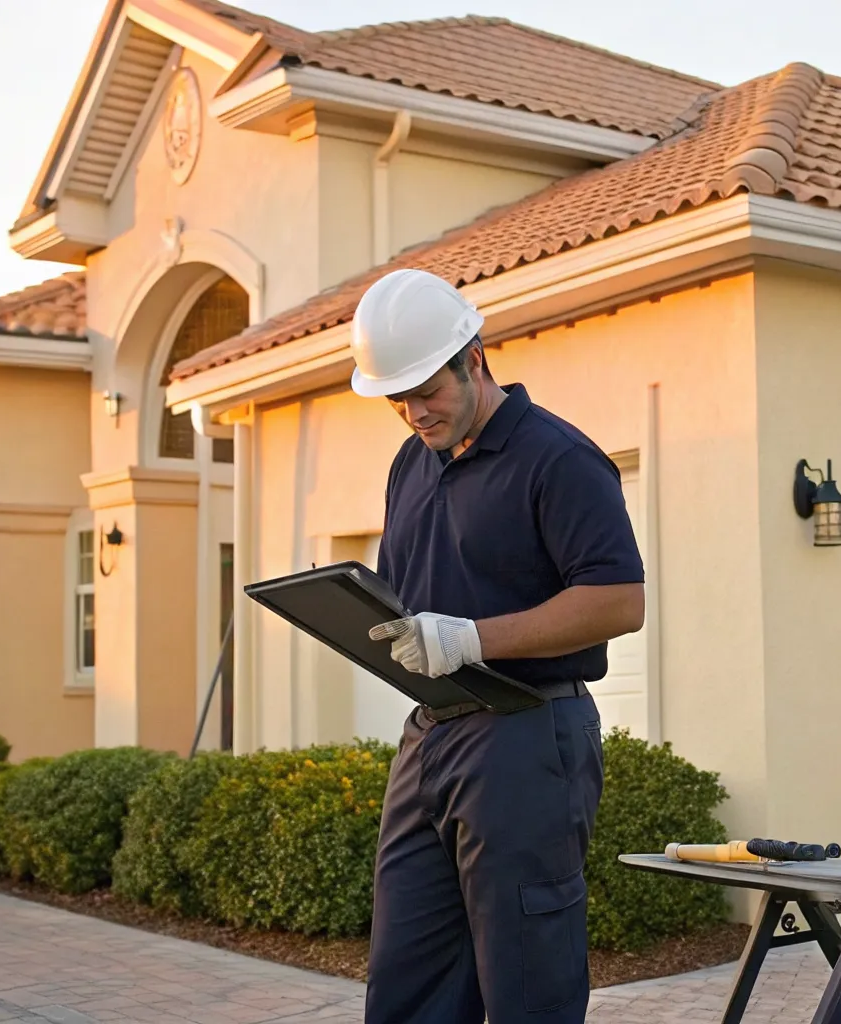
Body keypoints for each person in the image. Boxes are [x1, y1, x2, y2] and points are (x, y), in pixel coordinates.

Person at [353, 268, 645, 1023]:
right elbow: (405, 594)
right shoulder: (411, 464)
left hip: (527, 736)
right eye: (398, 398)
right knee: (405, 981)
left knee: (526, 985)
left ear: (473, 358)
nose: (414, 413)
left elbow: (619, 599)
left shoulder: (558, 459)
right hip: (430, 738)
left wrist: (474, 638)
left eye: (428, 391)